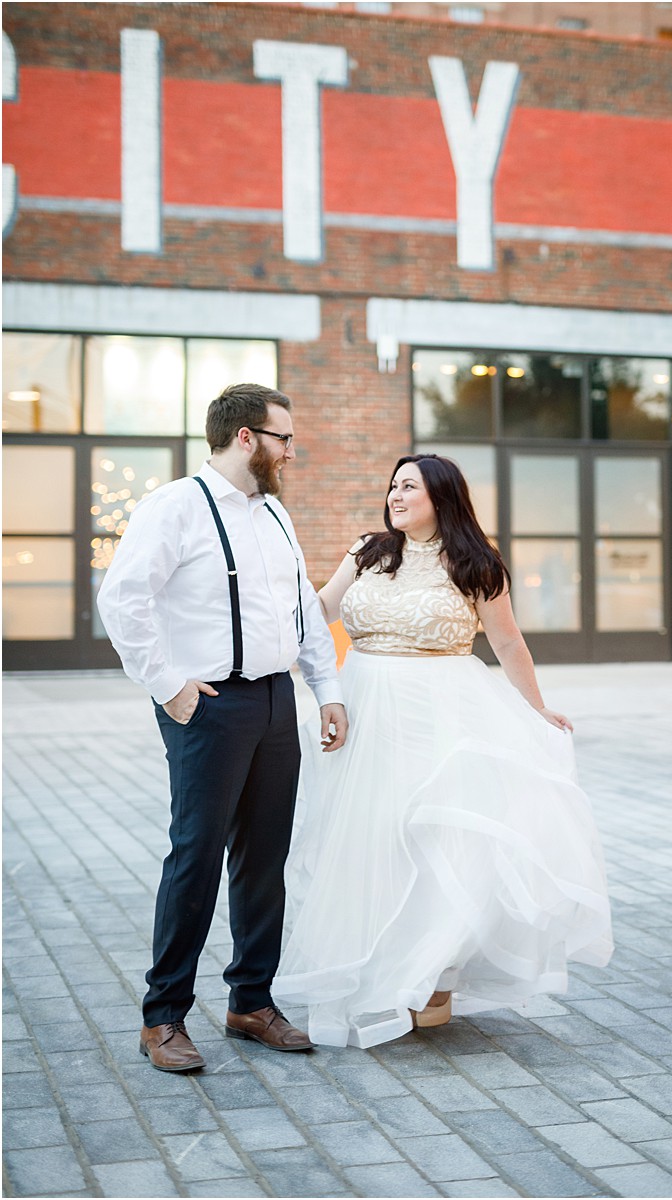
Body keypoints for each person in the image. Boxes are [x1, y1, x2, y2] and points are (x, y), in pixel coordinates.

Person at [274, 453, 612, 1048]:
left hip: (440, 716)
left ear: (441, 497)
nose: (396, 495)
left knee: (428, 837)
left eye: (410, 486)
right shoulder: (367, 551)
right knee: (367, 836)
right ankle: (371, 962)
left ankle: (431, 970)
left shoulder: (477, 564)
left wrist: (536, 710)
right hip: (363, 710)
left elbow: (507, 643)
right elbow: (318, 612)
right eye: (393, 485)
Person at [98, 383, 348, 1072]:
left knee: (265, 860)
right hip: (208, 706)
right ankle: (164, 1017)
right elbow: (123, 600)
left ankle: (250, 1002)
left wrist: (326, 689)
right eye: (283, 439)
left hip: (274, 704)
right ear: (246, 438)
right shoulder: (175, 505)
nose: (291, 452)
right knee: (196, 856)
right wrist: (170, 686)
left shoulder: (275, 514)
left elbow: (300, 607)